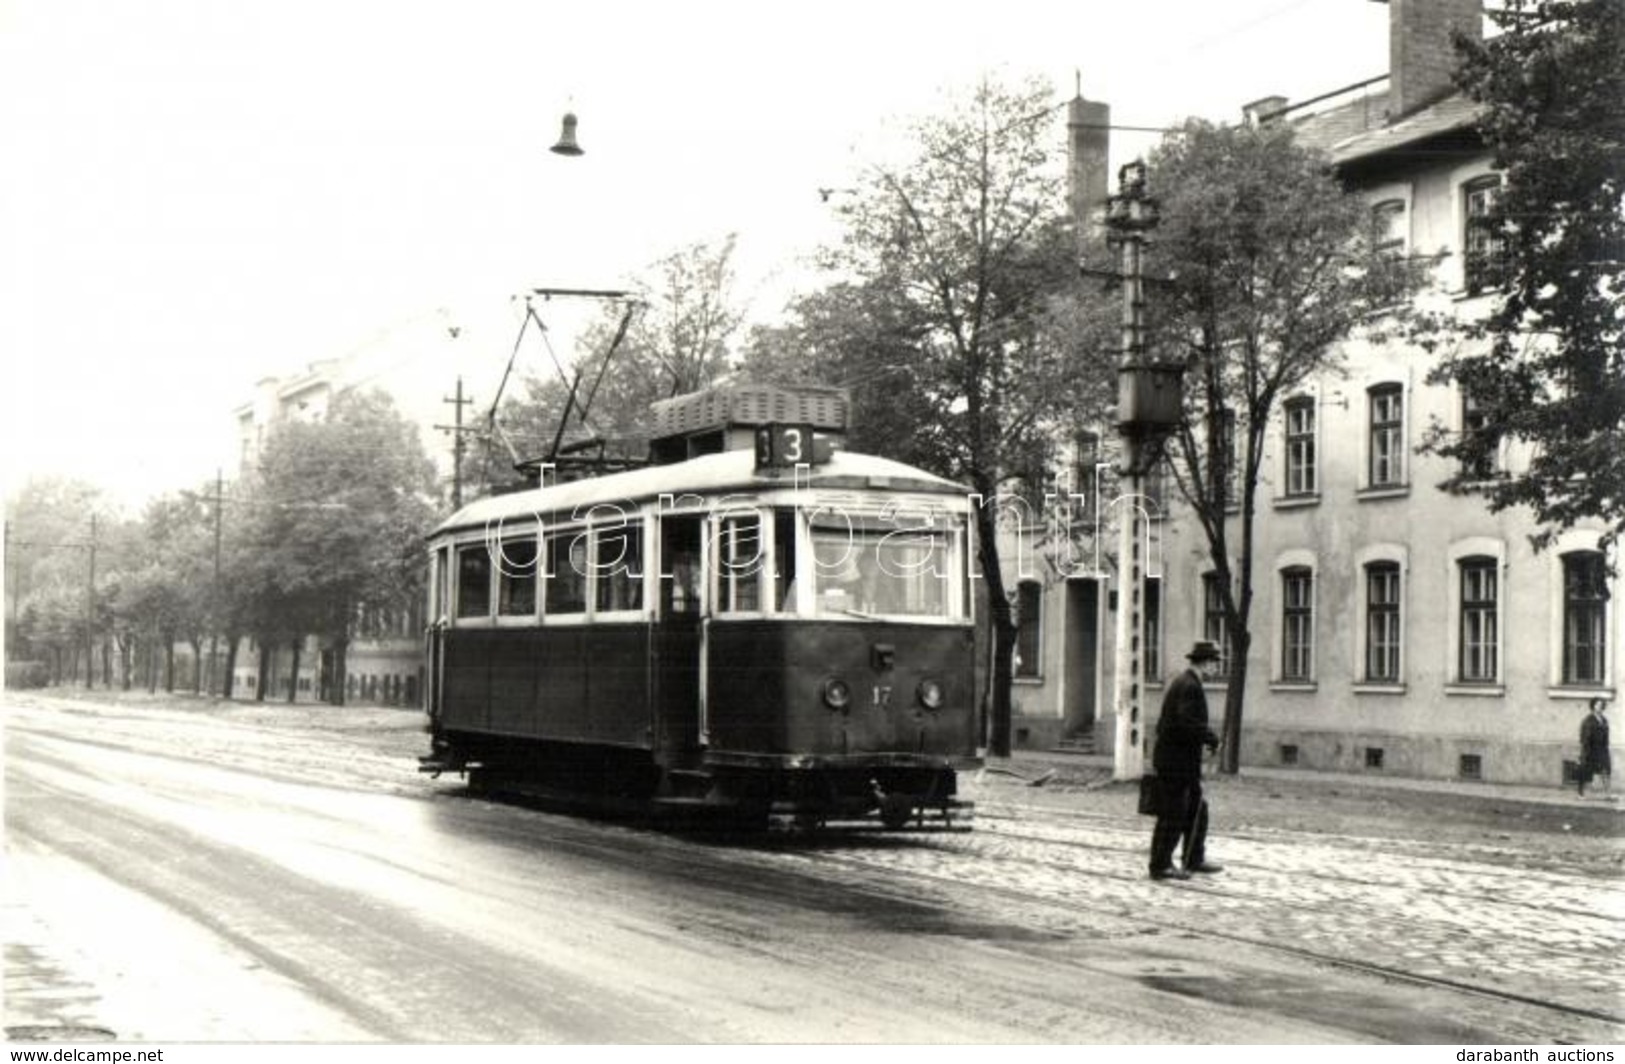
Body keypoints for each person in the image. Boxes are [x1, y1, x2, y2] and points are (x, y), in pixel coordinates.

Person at [1148, 640, 1224, 881]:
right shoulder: (1189, 686)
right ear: (1205, 663)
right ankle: (1160, 865)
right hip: (1175, 762)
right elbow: (1186, 722)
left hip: (1178, 760)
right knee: (1173, 813)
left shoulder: (1186, 682)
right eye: (1214, 662)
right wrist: (1211, 738)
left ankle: (1194, 858)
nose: (1216, 667)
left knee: (1197, 809)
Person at [1578, 698, 1611, 797]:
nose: (1600, 707)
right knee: (1585, 771)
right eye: (1597, 705)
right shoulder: (1588, 720)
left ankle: (1608, 794)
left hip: (1602, 749)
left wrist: (1605, 748)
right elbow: (1585, 737)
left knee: (1605, 770)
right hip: (1590, 749)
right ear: (1593, 706)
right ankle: (1581, 793)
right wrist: (1586, 750)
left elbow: (1606, 736)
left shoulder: (1604, 720)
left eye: (1601, 705)